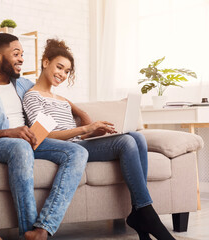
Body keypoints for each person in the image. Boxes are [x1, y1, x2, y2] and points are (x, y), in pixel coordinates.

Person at [22, 39, 176, 240]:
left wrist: (93, 133)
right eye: (59, 67)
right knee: (126, 142)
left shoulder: (61, 100)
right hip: (61, 148)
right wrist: (86, 127)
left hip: (77, 143)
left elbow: (75, 135)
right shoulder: (33, 97)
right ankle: (146, 214)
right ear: (45, 62)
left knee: (137, 137)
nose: (62, 74)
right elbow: (45, 136)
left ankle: (140, 212)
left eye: (67, 71)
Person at [0, 33, 88, 240]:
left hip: (31, 140)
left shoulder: (24, 85)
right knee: (20, 147)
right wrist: (9, 132)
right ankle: (27, 230)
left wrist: (81, 113)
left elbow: (51, 94)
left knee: (78, 152)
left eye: (22, 54)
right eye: (16, 54)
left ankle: (42, 229)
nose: (21, 59)